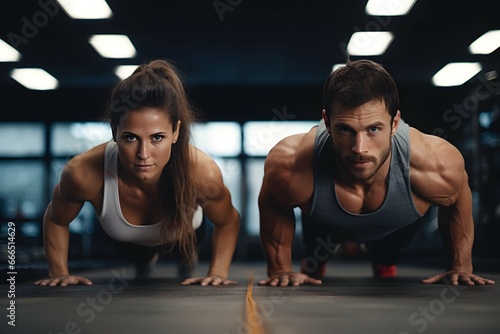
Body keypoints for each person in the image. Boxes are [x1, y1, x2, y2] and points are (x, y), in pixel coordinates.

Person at [258, 59, 496, 287]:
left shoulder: (436, 162)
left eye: (373, 129)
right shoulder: (292, 163)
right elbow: (272, 199)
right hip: (324, 226)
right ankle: (314, 265)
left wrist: (461, 266)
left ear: (394, 124)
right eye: (345, 129)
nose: (359, 148)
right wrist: (280, 269)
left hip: (395, 228)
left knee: (386, 250)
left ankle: (383, 259)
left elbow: (458, 194)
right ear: (327, 123)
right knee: (315, 253)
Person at [34, 59, 240, 287]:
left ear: (175, 132)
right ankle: (147, 257)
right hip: (126, 242)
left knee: (185, 251)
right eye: (131, 137)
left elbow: (228, 220)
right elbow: (55, 219)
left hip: (186, 236)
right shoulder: (82, 173)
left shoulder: (202, 172)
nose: (143, 154)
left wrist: (218, 272)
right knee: (140, 256)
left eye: (157, 138)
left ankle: (185, 257)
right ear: (114, 131)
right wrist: (59, 272)